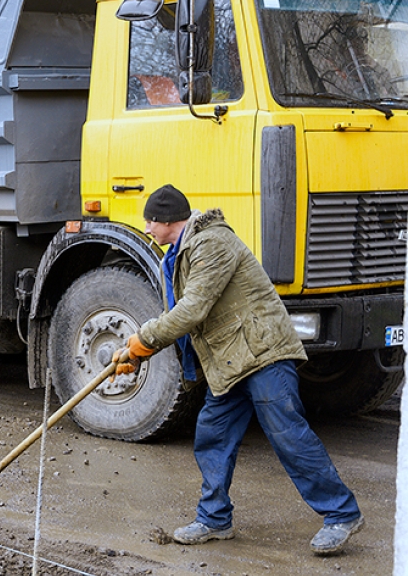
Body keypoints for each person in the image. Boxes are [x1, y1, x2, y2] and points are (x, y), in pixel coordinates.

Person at [113, 184, 364, 556]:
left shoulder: (211, 243)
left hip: (262, 354)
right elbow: (185, 316)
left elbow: (192, 309)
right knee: (212, 434)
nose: (147, 228)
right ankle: (215, 519)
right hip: (230, 362)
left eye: (150, 222)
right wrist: (139, 349)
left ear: (167, 221)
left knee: (289, 436)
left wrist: (142, 341)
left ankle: (342, 514)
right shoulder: (183, 251)